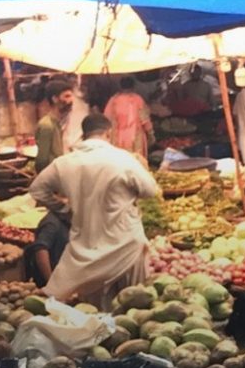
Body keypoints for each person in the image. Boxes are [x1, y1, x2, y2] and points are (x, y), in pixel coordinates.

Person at [29, 114, 159, 308]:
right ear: (108, 132)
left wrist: (65, 209)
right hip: (126, 242)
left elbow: (37, 189)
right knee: (134, 307)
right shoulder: (123, 159)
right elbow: (150, 191)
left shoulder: (65, 163)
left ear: (85, 134)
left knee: (96, 310)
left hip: (88, 247)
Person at [103, 77, 154, 161]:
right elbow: (145, 120)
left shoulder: (113, 100)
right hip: (135, 138)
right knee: (136, 161)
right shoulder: (138, 99)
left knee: (119, 161)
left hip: (117, 138)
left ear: (120, 86)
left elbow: (106, 118)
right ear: (133, 87)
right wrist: (151, 134)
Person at [34, 80, 75, 172]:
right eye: (67, 96)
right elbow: (42, 160)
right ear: (55, 99)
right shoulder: (47, 125)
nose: (71, 100)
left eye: (71, 96)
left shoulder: (59, 123)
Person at [23, 210, 70, 288]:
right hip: (52, 280)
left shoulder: (69, 221)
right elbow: (40, 249)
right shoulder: (52, 223)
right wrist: (51, 282)